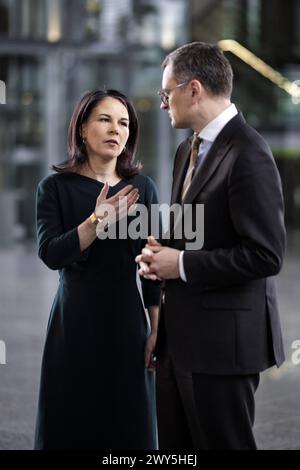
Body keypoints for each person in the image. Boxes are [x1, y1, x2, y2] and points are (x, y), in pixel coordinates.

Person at [136, 42, 286, 450]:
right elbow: (194, 228)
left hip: (223, 346)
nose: (163, 104)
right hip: (178, 342)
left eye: (167, 94)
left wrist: (180, 264)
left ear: (194, 89)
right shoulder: (188, 148)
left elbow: (266, 254)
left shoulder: (250, 152)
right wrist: (158, 252)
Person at [35, 89, 160, 450]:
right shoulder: (55, 187)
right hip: (73, 324)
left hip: (127, 325)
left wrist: (157, 328)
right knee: (71, 424)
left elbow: (150, 266)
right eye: (104, 120)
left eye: (123, 123)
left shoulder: (142, 189)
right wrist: (95, 222)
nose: (115, 130)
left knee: (129, 428)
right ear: (82, 130)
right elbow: (50, 253)